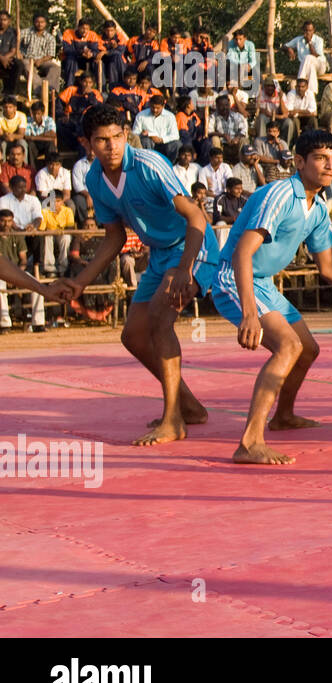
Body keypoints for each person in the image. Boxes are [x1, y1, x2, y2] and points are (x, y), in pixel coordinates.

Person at [211, 129, 332, 464]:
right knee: (289, 346)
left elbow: (329, 270)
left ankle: (283, 416)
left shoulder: (317, 209)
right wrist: (249, 314)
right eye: (320, 158)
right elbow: (242, 252)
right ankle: (249, 442)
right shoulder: (281, 194)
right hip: (234, 279)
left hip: (264, 285)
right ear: (299, 162)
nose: (330, 165)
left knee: (308, 349)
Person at [58, 104, 220, 446]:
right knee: (132, 336)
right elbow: (115, 237)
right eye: (102, 140)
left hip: (193, 246)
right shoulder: (93, 179)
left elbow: (196, 218)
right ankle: (189, 406)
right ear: (88, 143)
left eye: (118, 137)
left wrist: (186, 269)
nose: (113, 146)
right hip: (161, 254)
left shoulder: (149, 164)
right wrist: (81, 281)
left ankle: (173, 418)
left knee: (161, 321)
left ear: (126, 134)